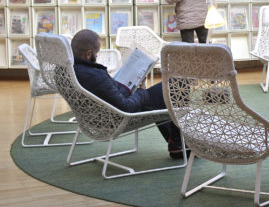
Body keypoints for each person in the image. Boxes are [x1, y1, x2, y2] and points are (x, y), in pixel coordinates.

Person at [70, 29, 187, 159]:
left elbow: (107, 93)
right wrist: (142, 90)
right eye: (97, 53)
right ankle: (178, 143)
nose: (97, 56)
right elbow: (126, 107)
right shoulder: (95, 75)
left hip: (99, 116)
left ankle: (176, 143)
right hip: (118, 118)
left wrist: (129, 86)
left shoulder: (70, 71)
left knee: (165, 93)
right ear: (88, 54)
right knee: (178, 85)